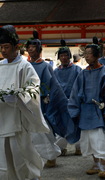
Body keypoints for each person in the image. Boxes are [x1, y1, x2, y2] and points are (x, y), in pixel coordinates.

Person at [68, 42, 105, 179]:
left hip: (100, 111)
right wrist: (74, 111)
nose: (86, 57)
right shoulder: (83, 73)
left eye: (89, 54)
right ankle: (95, 164)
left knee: (100, 139)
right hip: (85, 111)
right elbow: (75, 93)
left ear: (96, 55)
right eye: (86, 54)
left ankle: (103, 166)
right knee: (89, 140)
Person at [0, 25, 49, 180]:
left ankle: (31, 177)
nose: (3, 51)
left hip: (17, 118)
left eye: (6, 47)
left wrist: (19, 97)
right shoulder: (0, 66)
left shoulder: (24, 66)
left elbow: (33, 88)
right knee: (5, 156)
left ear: (16, 47)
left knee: (21, 154)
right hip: (2, 116)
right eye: (1, 47)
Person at [26, 31, 76, 168]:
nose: (30, 50)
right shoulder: (25, 65)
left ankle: (51, 156)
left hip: (42, 103)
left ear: (39, 50)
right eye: (29, 47)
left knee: (44, 130)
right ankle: (45, 155)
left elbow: (51, 85)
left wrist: (48, 98)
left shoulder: (45, 66)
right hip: (27, 102)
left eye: (33, 47)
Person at [54, 40, 82, 156]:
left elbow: (81, 86)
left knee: (77, 124)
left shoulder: (77, 70)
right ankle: (61, 148)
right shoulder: (55, 72)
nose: (64, 58)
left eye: (66, 55)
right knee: (62, 124)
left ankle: (79, 147)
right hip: (61, 103)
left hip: (74, 101)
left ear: (69, 56)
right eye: (61, 56)